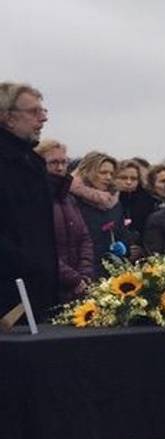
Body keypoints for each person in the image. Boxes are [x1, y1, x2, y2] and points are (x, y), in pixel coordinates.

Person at [0, 82, 57, 321]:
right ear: (7, 118)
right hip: (9, 286)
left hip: (37, 287)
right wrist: (25, 263)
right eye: (34, 112)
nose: (43, 119)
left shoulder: (33, 162)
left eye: (43, 111)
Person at [35, 139, 93, 302]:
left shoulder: (69, 199)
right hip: (47, 286)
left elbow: (84, 238)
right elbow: (39, 247)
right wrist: (73, 279)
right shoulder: (33, 199)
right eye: (53, 163)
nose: (60, 168)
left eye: (63, 162)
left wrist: (85, 274)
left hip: (77, 287)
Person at [71, 152, 128, 271]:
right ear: (87, 172)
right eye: (103, 172)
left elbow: (122, 233)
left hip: (111, 269)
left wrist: (124, 246)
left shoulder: (114, 202)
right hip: (81, 269)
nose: (108, 177)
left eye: (111, 173)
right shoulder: (71, 199)